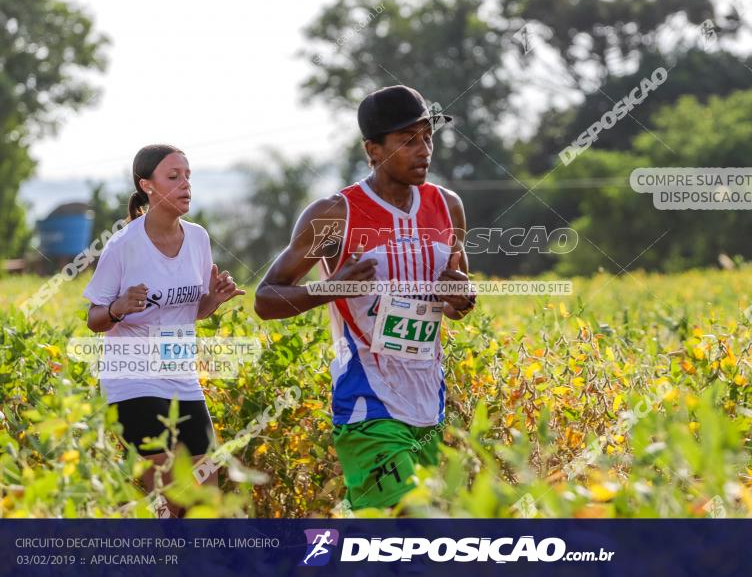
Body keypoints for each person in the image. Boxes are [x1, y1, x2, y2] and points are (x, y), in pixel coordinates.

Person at [255, 85, 477, 511]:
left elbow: (459, 294)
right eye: (407, 140)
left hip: (428, 405)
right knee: (412, 518)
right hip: (366, 404)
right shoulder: (335, 214)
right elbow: (266, 299)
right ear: (372, 150)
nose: (424, 149)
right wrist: (335, 287)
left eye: (427, 136)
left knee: (408, 541)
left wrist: (463, 300)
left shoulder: (448, 206)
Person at [84, 144, 244, 516]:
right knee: (185, 501)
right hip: (134, 381)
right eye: (174, 177)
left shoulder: (199, 238)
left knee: (208, 504)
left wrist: (213, 302)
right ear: (148, 185)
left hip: (181, 377)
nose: (185, 184)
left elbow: (190, 313)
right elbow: (94, 319)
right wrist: (118, 307)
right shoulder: (124, 245)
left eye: (188, 176)